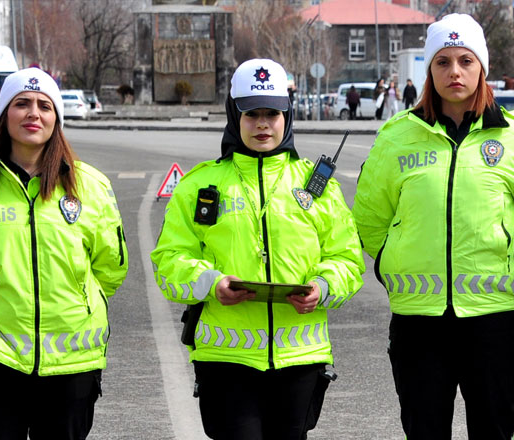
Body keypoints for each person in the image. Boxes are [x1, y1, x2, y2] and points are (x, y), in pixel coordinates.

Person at [352, 13, 514, 439]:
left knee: (494, 430)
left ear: (482, 67)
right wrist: (396, 260)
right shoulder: (396, 137)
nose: (455, 72)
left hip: (495, 320)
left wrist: (504, 256)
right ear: (429, 70)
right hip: (419, 321)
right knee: (424, 431)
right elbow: (370, 221)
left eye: (465, 60)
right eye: (443, 62)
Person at [150, 58, 365, 440]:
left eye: (272, 113)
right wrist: (210, 283)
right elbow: (169, 260)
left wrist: (324, 287)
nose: (263, 124)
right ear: (235, 115)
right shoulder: (200, 185)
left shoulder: (318, 186)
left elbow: (346, 258)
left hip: (300, 360)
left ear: (287, 115)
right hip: (226, 360)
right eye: (251, 114)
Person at [0, 67, 129, 439]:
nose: (34, 113)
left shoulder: (90, 187)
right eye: (22, 104)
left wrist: (77, 301)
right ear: (4, 115)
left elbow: (111, 268)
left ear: (56, 120)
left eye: (45, 106)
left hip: (72, 365)